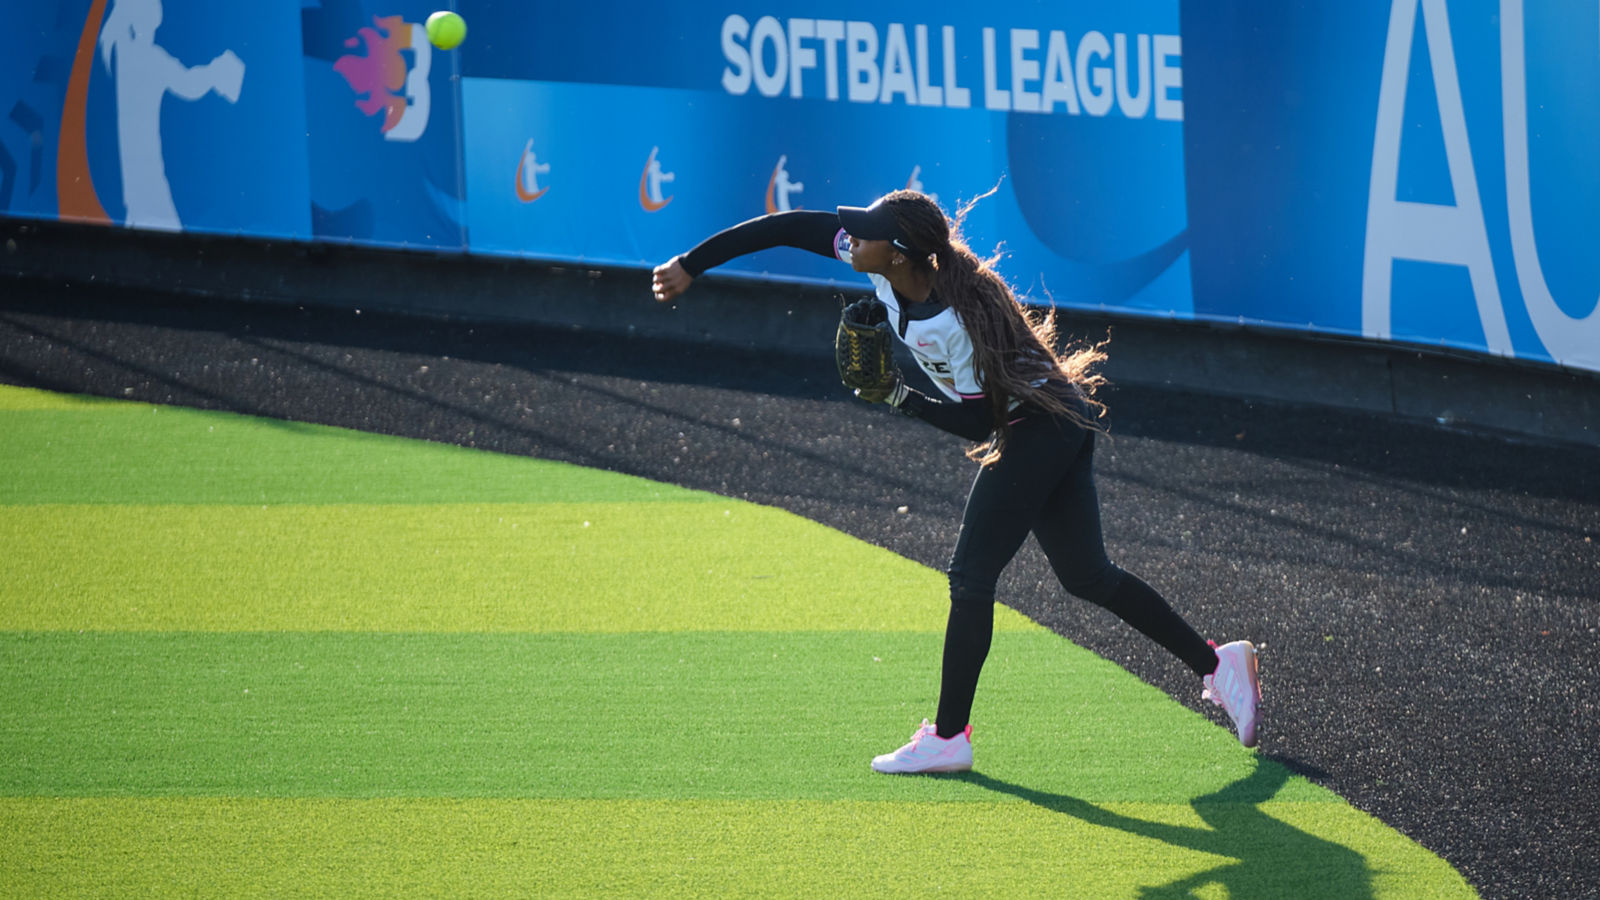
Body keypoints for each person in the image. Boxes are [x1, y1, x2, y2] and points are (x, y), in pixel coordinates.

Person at [651, 189, 1261, 773]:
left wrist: (897, 396)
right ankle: (1217, 665)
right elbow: (785, 227)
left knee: (971, 577)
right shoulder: (883, 261)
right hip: (1058, 417)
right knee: (1087, 576)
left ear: (896, 253)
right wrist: (690, 265)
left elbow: (977, 420)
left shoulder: (949, 321)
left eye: (865, 231)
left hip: (1039, 428)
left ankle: (946, 737)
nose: (850, 236)